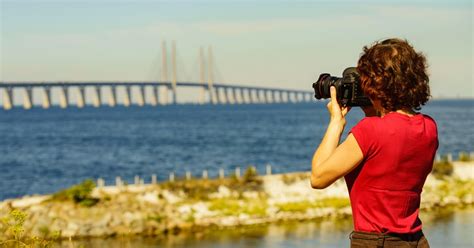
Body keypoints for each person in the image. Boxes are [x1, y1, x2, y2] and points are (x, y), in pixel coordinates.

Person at [310, 38, 438, 248]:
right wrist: (373, 108)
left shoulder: (369, 130)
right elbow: (391, 152)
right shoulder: (429, 127)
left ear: (375, 83)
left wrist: (336, 122)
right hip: (416, 241)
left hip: (375, 242)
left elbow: (318, 177)